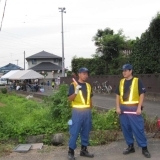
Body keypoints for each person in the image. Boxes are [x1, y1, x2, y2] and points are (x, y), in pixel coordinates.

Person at [115, 64, 151, 158]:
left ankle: (144, 148)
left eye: (126, 70)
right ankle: (130, 146)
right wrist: (118, 107)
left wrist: (139, 107)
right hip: (123, 108)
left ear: (131, 71)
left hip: (134, 108)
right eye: (123, 71)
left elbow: (142, 94)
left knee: (138, 128)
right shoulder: (121, 82)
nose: (124, 72)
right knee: (126, 128)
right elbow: (118, 95)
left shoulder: (137, 81)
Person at [67, 67, 94, 160]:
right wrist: (76, 92)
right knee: (75, 131)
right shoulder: (73, 85)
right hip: (77, 112)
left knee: (86, 131)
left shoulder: (88, 86)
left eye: (86, 74)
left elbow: (90, 99)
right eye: (83, 73)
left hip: (87, 111)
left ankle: (84, 150)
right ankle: (71, 152)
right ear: (79, 74)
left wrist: (91, 109)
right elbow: (70, 99)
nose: (85, 75)